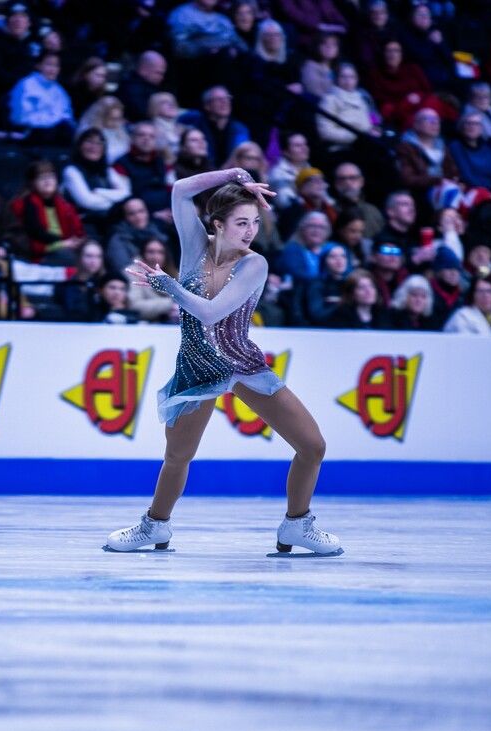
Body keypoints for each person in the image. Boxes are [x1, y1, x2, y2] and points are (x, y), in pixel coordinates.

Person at [109, 168, 340, 556]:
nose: (250, 231)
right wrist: (234, 174)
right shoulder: (194, 247)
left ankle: (297, 524)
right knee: (177, 456)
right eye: (241, 223)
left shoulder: (254, 264)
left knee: (312, 445)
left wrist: (169, 286)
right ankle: (155, 526)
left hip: (241, 363)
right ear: (217, 224)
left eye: (255, 222)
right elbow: (181, 189)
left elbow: (211, 313)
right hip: (197, 367)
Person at [11, 160, 86, 265]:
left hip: (65, 247)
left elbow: (78, 230)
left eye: (51, 177)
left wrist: (78, 240)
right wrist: (63, 243)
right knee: (71, 258)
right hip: (40, 255)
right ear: (32, 183)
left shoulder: (64, 204)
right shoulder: (27, 204)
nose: (47, 181)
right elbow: (35, 236)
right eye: (42, 178)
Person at [9, 52, 75, 145]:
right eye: (49, 64)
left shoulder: (59, 90)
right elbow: (20, 117)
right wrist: (51, 122)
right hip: (31, 131)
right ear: (39, 66)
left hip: (56, 131)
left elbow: (66, 114)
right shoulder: (26, 85)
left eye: (56, 66)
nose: (52, 69)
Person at [113, 122, 174, 219]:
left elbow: (172, 189)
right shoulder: (120, 165)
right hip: (139, 217)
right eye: (141, 135)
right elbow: (125, 197)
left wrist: (172, 211)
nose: (146, 139)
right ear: (132, 138)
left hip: (169, 213)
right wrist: (152, 214)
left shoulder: (163, 162)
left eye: (151, 136)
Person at [178, 86, 250, 167]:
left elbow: (239, 154)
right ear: (207, 106)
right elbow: (176, 117)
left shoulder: (239, 129)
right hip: (197, 169)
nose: (225, 102)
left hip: (229, 171)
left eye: (227, 98)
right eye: (219, 99)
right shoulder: (194, 119)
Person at [443, 268, 491, 334]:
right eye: (480, 291)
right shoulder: (462, 317)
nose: (485, 296)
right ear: (472, 295)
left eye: (489, 291)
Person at [317, 63, 377, 149]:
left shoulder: (362, 98)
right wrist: (355, 136)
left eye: (352, 77)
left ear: (356, 79)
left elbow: (372, 119)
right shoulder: (329, 99)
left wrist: (375, 129)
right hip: (343, 148)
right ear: (337, 78)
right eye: (343, 77)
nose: (348, 80)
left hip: (367, 144)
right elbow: (325, 132)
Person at [107, 197, 171, 274]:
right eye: (131, 213)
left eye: (141, 211)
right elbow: (124, 270)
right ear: (124, 217)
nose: (138, 216)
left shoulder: (158, 233)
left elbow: (170, 264)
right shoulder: (118, 239)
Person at [126, 236, 179, 322]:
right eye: (150, 252)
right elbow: (134, 306)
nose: (156, 256)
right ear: (142, 253)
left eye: (160, 252)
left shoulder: (173, 273)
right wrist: (171, 304)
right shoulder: (133, 273)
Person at [324, 268, 390, 329]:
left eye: (371, 286)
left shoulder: (384, 316)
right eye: (361, 287)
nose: (368, 291)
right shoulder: (340, 318)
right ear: (351, 293)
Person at [117, 51, 172, 122]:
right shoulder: (131, 88)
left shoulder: (151, 85)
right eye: (158, 73)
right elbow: (142, 113)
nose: (162, 77)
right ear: (144, 69)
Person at [78, 96, 131, 163]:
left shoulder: (120, 132)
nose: (117, 123)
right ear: (101, 116)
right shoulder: (89, 132)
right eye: (113, 119)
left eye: (119, 118)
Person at [270, 132, 311, 210]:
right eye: (298, 145)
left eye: (305, 144)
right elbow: (284, 202)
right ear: (285, 151)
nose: (304, 148)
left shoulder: (309, 168)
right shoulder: (278, 174)